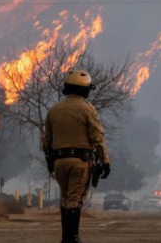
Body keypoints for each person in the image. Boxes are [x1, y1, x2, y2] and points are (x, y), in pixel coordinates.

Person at [43, 69, 111, 243]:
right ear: (85, 89)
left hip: (59, 162)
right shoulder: (87, 109)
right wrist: (105, 161)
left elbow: (46, 140)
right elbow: (98, 137)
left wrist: (50, 161)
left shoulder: (54, 109)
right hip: (80, 162)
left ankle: (66, 237)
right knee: (75, 199)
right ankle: (72, 238)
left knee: (65, 198)